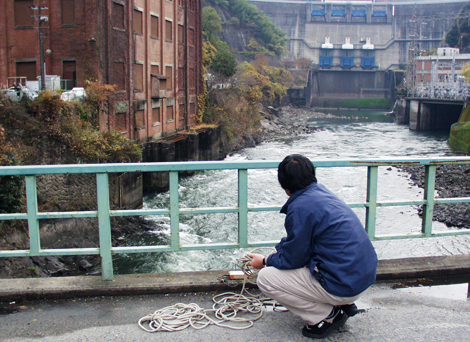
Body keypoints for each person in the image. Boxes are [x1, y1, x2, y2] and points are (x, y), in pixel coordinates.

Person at [248, 154, 378, 339]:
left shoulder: (300, 207)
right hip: (362, 277)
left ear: (285, 188)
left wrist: (265, 261)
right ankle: (342, 304)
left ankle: (326, 316)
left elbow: (293, 258)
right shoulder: (322, 193)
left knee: (266, 278)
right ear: (312, 175)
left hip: (344, 285)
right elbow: (305, 243)